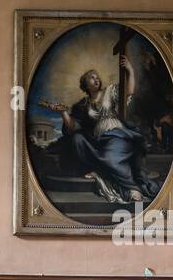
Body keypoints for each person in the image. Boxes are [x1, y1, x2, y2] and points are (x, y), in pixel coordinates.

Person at [58, 57, 158, 205]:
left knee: (109, 158)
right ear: (85, 84)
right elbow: (74, 127)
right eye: (91, 78)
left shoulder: (110, 91)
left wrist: (130, 70)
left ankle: (132, 188)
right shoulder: (84, 104)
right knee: (77, 139)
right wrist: (63, 112)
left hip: (116, 134)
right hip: (98, 139)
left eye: (97, 76)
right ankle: (99, 168)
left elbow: (129, 91)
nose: (96, 79)